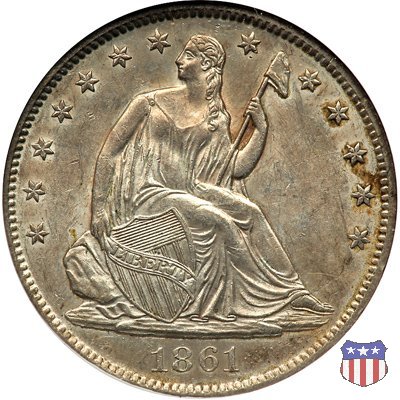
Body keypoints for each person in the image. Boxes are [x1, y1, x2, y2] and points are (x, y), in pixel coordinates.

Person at [65, 34, 333, 324]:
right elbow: (110, 153)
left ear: (206, 64)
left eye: (188, 55)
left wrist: (261, 130)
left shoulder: (216, 116)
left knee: (251, 212)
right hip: (148, 195)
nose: (179, 60)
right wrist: (99, 209)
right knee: (220, 222)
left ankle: (292, 292)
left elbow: (235, 168)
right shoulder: (147, 104)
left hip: (191, 191)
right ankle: (225, 306)